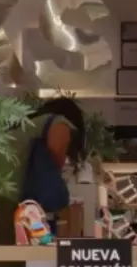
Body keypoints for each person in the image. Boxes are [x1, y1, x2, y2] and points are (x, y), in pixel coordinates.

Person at [20, 98, 87, 232]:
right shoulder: (59, 124)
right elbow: (54, 167)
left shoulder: (30, 124)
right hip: (23, 204)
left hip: (5, 195)